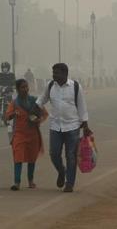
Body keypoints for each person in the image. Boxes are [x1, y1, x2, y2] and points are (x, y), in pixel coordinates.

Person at [36, 63, 92, 193]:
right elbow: (40, 101)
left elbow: (82, 106)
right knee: (54, 154)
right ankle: (62, 171)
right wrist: (32, 113)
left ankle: (69, 183)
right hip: (55, 126)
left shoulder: (76, 87)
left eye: (56, 73)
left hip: (72, 126)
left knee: (70, 156)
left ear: (65, 74)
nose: (54, 75)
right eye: (53, 72)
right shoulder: (50, 86)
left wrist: (85, 125)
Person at [5, 79, 48, 191]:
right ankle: (17, 182)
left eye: (26, 87)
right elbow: (7, 116)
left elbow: (45, 114)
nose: (25, 89)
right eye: (23, 87)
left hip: (33, 133)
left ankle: (30, 181)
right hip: (19, 133)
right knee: (18, 157)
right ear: (18, 89)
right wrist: (14, 113)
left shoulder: (35, 101)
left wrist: (38, 120)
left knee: (31, 158)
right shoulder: (14, 103)